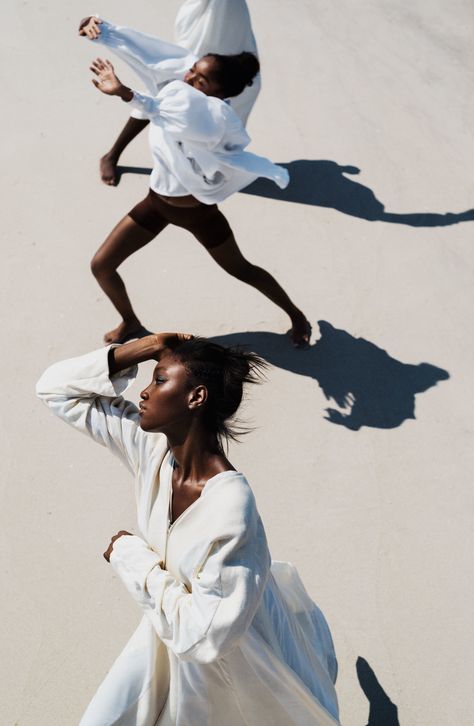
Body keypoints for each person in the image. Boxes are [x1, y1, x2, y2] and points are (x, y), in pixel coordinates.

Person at [36, 332, 340, 725]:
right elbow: (54, 390)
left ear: (196, 397)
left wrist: (130, 557)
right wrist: (145, 346)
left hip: (235, 671)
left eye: (159, 380)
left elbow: (205, 637)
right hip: (165, 640)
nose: (143, 393)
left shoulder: (231, 510)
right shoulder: (153, 451)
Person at [79, 17, 311, 347]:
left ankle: (296, 314)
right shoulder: (180, 88)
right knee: (101, 265)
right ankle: (130, 322)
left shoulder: (218, 118)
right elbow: (151, 54)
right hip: (156, 203)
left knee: (241, 269)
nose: (189, 78)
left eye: (200, 80)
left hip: (198, 213)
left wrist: (127, 94)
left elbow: (184, 118)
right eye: (192, 71)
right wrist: (102, 32)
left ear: (220, 94)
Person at [98, 0, 260, 186]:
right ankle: (112, 155)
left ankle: (197, 166)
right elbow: (146, 51)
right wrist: (104, 32)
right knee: (161, 100)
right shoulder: (188, 66)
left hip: (232, 55)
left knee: (210, 127)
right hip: (201, 45)